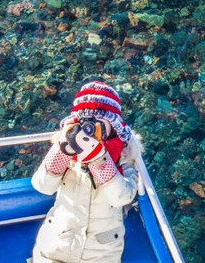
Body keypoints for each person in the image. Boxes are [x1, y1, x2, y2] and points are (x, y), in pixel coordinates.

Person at [30, 80, 143, 263]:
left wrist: (98, 158)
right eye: (85, 121)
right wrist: (63, 149)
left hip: (99, 254)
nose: (89, 129)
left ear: (113, 124)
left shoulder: (124, 155)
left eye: (98, 121)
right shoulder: (68, 147)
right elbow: (42, 186)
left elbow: (122, 197)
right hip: (56, 245)